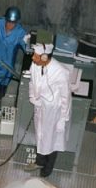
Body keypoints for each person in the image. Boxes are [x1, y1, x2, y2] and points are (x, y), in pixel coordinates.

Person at [24, 43, 72, 178]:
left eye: (36, 55)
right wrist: (33, 97)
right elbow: (32, 83)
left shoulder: (61, 72)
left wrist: (63, 119)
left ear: (44, 57)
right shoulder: (35, 66)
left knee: (51, 139)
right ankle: (39, 161)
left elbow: (65, 97)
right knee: (40, 135)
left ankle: (47, 169)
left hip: (54, 111)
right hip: (41, 106)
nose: (33, 58)